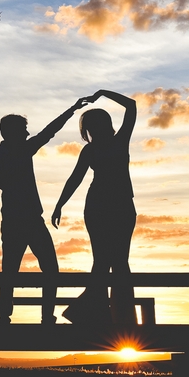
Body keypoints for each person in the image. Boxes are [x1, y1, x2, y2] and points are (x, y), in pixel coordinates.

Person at [0, 99, 91, 325]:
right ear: (13, 133)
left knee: (26, 270)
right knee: (20, 270)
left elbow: (49, 131)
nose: (27, 134)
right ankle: (15, 316)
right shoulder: (10, 154)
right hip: (21, 221)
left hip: (28, 220)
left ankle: (25, 316)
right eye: (23, 130)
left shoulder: (7, 154)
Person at [51, 89, 138, 327]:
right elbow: (75, 179)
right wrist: (59, 204)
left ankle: (113, 316)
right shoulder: (91, 150)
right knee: (105, 262)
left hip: (120, 207)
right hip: (100, 208)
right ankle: (105, 315)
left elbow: (131, 106)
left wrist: (102, 93)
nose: (95, 129)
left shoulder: (119, 141)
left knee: (118, 262)